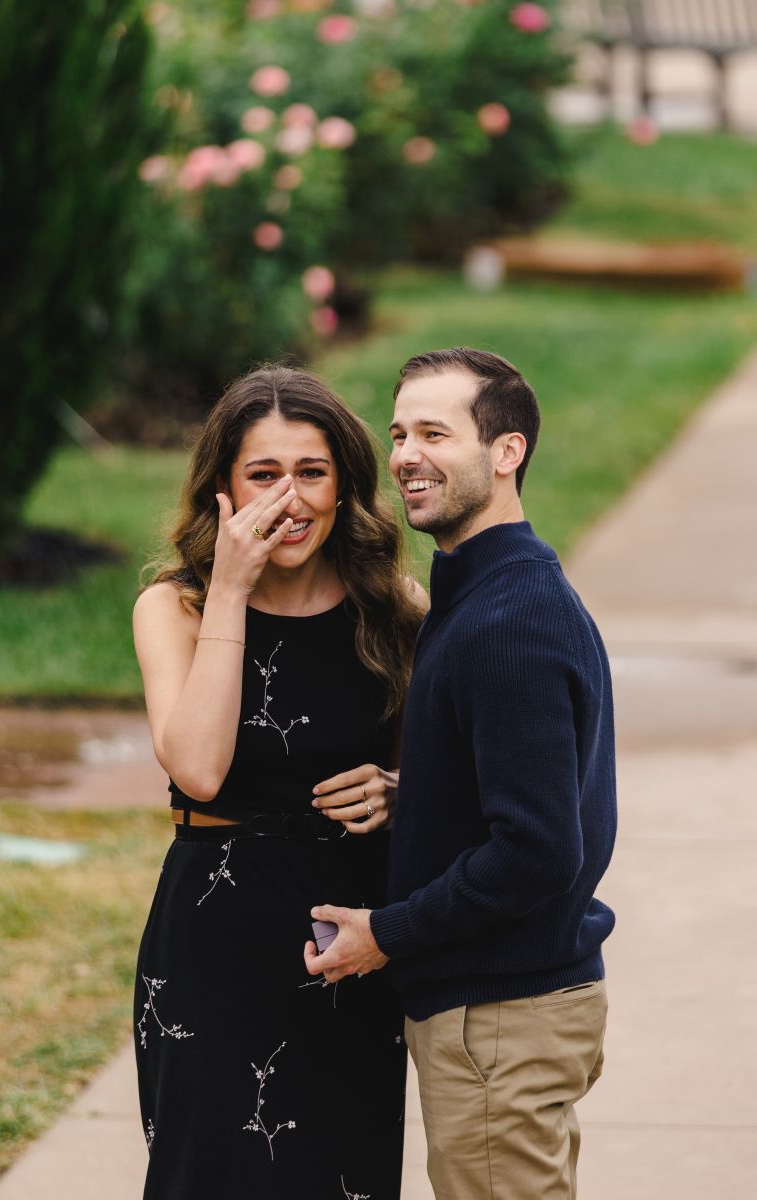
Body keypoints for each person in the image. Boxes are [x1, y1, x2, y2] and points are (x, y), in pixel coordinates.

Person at [304, 348, 617, 1200]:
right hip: (507, 1013)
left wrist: (388, 931)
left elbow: (540, 850)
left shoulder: (510, 620)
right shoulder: (485, 594)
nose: (405, 454)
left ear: (505, 452)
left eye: (435, 432)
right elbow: (536, 790)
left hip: (498, 1021)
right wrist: (421, 793)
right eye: (400, 432)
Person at [132, 365, 426, 1200]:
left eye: (312, 472)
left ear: (344, 486)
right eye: (264, 474)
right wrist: (230, 588)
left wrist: (400, 789)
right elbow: (197, 767)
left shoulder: (395, 612)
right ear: (222, 487)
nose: (289, 499)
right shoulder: (176, 607)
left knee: (342, 1175)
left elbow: (444, 777)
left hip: (348, 940)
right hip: (214, 942)